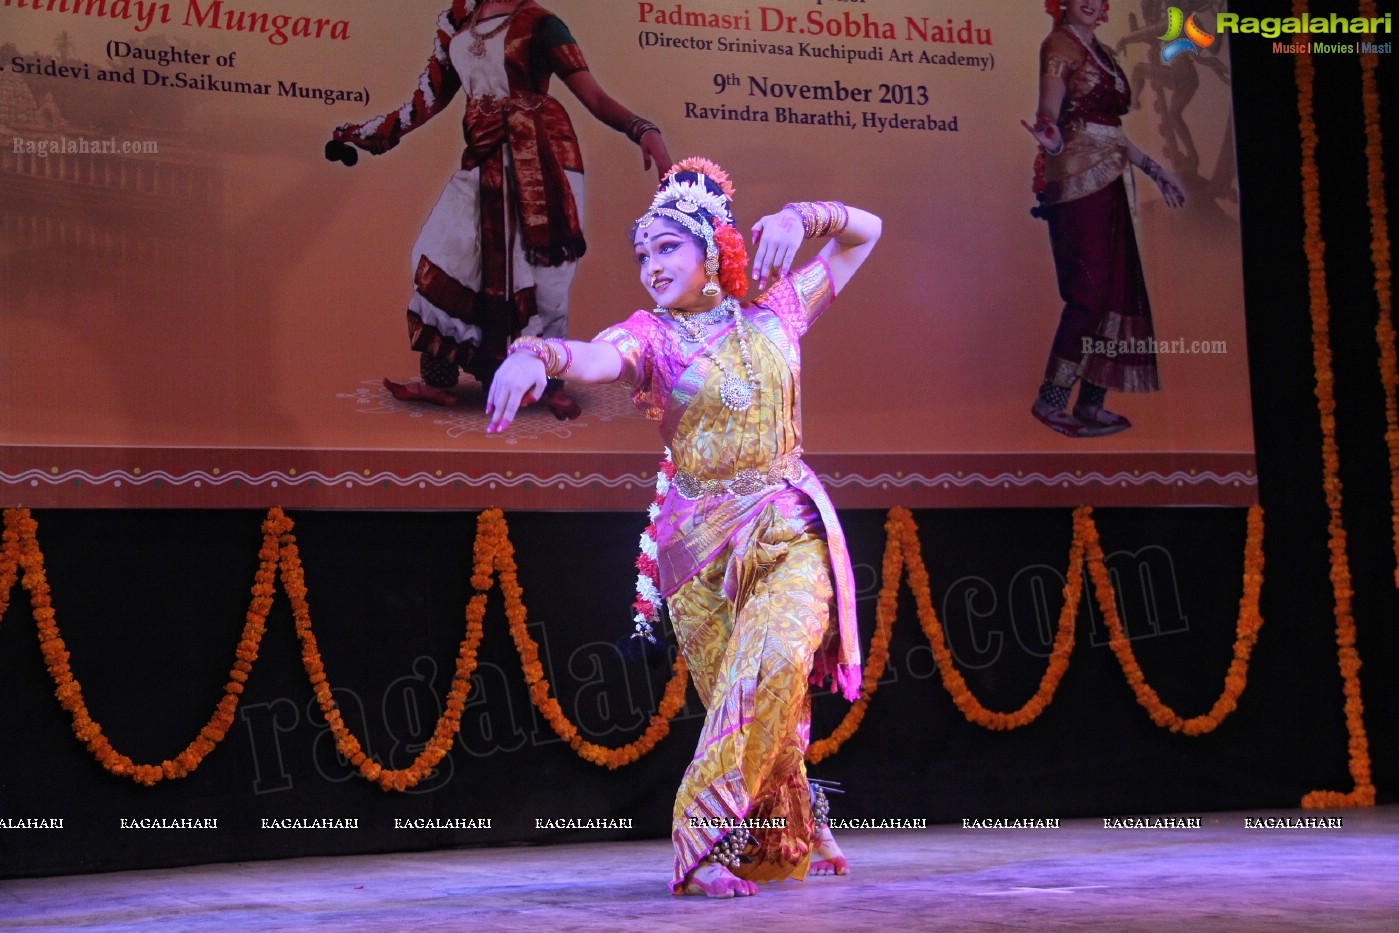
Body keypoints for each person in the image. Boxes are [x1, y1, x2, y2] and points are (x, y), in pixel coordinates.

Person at [486, 157, 881, 897]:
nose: (651, 266)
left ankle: (696, 842)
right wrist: (535, 353)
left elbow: (867, 234)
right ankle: (797, 813)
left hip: (787, 524)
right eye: (642, 254)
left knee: (771, 665)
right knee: (748, 696)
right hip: (696, 554)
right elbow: (598, 357)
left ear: (713, 247)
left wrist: (805, 214)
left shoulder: (779, 312)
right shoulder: (653, 338)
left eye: (667, 247)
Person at [326, 0, 671, 419]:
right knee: (440, 254)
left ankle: (551, 384)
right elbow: (428, 98)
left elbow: (593, 96)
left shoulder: (542, 23)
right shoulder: (456, 22)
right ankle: (438, 381)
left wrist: (642, 129)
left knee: (547, 280)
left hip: (544, 159)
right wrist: (370, 133)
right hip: (485, 153)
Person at [1022, 0, 1185, 438]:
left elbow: (1113, 132)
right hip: (1076, 183)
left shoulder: (1107, 53)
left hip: (1111, 180)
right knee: (1089, 293)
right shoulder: (1057, 44)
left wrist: (1158, 172)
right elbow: (1049, 117)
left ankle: (1091, 402)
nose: (1092, 3)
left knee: (1116, 292)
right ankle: (1051, 399)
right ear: (1064, 4)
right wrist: (1052, 143)